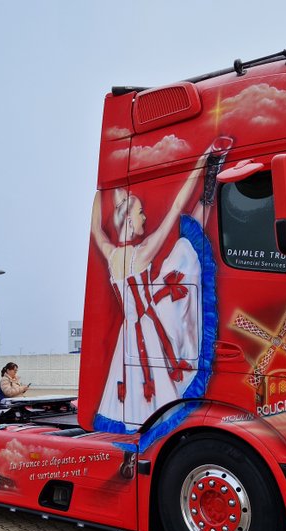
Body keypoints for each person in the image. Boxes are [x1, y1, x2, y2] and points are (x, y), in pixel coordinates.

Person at [90, 138, 230, 432]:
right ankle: (212, 182)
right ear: (128, 220)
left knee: (132, 400)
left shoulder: (112, 254)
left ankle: (211, 186)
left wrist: (102, 187)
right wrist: (200, 162)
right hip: (152, 323)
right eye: (140, 213)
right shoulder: (142, 253)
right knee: (184, 251)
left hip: (128, 335)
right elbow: (178, 204)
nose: (145, 217)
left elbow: (95, 229)